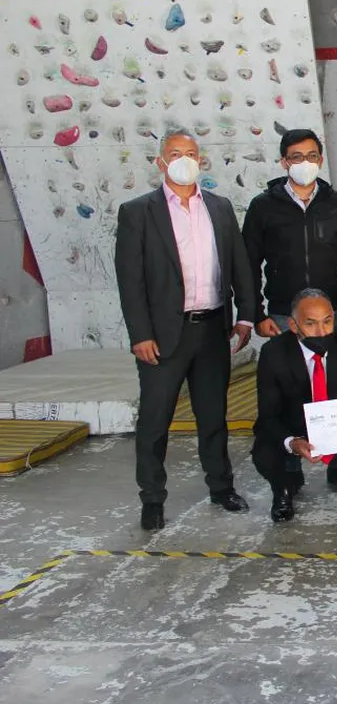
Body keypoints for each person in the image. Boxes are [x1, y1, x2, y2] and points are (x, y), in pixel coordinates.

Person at [114, 131, 256, 531]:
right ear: (161, 162)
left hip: (212, 329)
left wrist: (246, 315)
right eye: (175, 153)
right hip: (162, 336)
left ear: (201, 160)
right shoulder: (138, 212)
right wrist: (140, 334)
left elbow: (239, 265)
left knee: (214, 416)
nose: (184, 159)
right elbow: (130, 280)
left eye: (191, 153)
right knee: (155, 420)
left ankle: (221, 486)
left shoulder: (220, 208)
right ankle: (152, 499)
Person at [251, 289, 337, 521]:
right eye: (311, 324)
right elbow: (268, 414)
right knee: (263, 448)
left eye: (327, 322)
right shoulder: (273, 353)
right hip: (294, 424)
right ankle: (283, 490)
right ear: (293, 325)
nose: (321, 331)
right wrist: (292, 442)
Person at [242, 129, 337, 337]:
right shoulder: (263, 206)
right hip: (283, 316)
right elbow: (248, 264)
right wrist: (257, 314)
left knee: (328, 369)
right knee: (287, 369)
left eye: (311, 156)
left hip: (330, 314)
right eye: (297, 157)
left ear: (320, 161)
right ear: (284, 162)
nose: (305, 163)